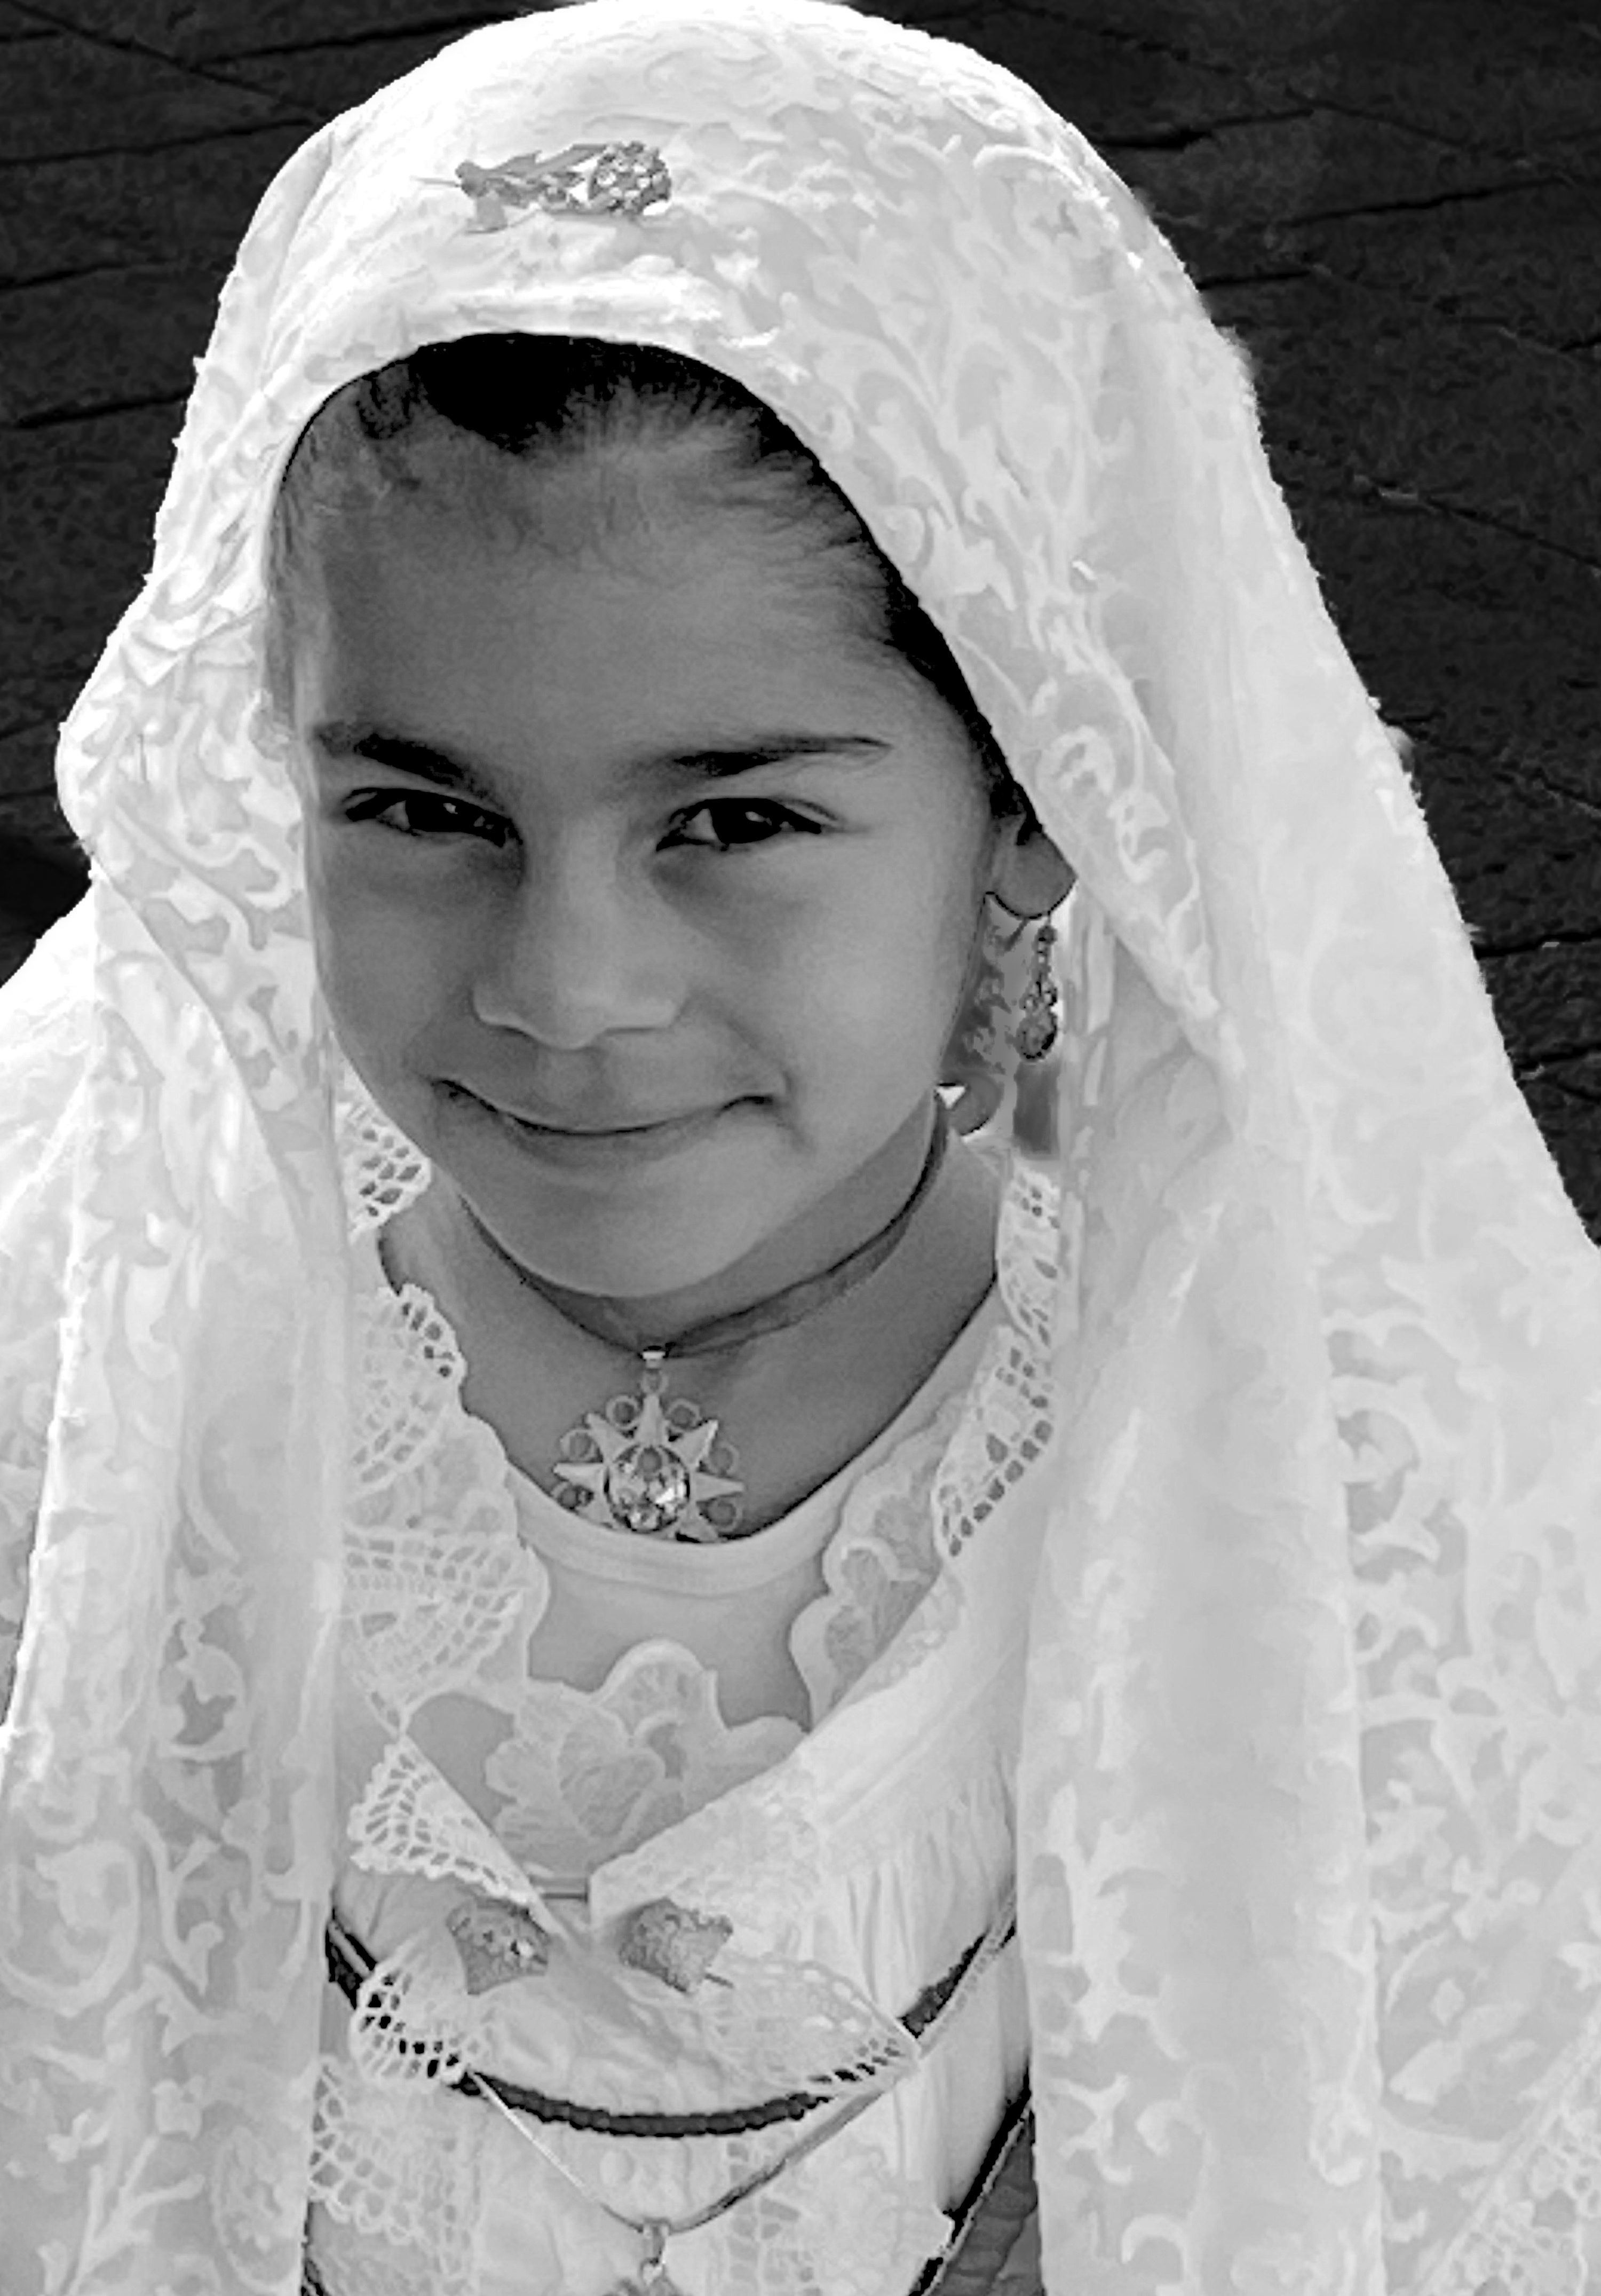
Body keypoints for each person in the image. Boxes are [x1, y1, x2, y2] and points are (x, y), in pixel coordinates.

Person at [4, 2, 1601, 2290]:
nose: (567, 984)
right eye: (422, 809)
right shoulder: (79, 1362)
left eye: (735, 817)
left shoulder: (1359, 1492)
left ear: (1043, 807)